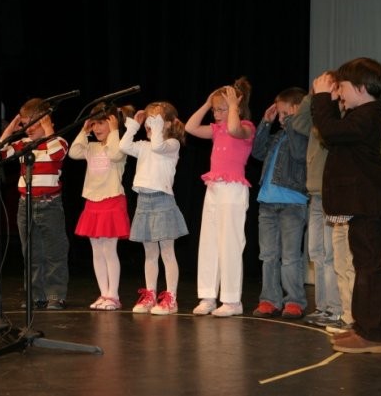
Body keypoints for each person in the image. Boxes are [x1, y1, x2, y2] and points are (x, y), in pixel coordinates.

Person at [311, 57, 381, 354]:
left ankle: (373, 334)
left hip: (369, 203)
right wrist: (331, 103)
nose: (339, 93)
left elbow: (332, 132)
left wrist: (321, 97)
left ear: (360, 88)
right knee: (364, 266)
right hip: (364, 203)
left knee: (370, 268)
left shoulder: (369, 115)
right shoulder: (362, 115)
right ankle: (363, 327)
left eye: (342, 88)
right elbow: (335, 136)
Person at [184, 78, 255, 317]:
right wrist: (206, 104)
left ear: (236, 107)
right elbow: (190, 128)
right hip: (214, 189)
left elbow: (235, 129)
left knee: (230, 244)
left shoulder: (245, 127)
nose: (216, 113)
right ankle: (207, 296)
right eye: (215, 109)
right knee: (209, 242)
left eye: (220, 108)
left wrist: (233, 106)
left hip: (233, 190)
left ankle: (233, 300)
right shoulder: (216, 130)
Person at [0, 98, 69, 310]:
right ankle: (36, 295)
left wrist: (47, 127)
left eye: (32, 124)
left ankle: (55, 295)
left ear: (46, 120)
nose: (27, 129)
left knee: (54, 252)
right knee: (31, 253)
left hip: (50, 205)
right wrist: (13, 125)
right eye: (25, 124)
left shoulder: (58, 142)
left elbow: (57, 154)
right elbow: (0, 151)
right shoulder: (23, 145)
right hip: (25, 205)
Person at [119, 101, 188, 315]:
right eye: (149, 121)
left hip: (163, 201)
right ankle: (150, 294)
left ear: (167, 124)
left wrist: (156, 127)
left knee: (167, 252)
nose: (150, 126)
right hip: (144, 202)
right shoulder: (143, 146)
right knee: (149, 253)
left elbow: (159, 145)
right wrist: (134, 125)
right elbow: (123, 147)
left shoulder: (172, 145)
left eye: (155, 121)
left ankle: (171, 298)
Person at [69, 103, 134, 311]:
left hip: (112, 200)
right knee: (96, 250)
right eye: (94, 124)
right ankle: (103, 293)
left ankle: (113, 295)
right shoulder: (91, 147)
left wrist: (115, 131)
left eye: (101, 123)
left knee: (109, 249)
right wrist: (83, 130)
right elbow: (73, 152)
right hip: (92, 202)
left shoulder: (119, 145)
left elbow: (115, 154)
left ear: (112, 123)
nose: (97, 128)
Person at [251, 87, 309, 319]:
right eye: (281, 114)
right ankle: (269, 299)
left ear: (297, 111)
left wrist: (295, 122)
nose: (282, 118)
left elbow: (298, 155)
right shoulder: (277, 136)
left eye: (286, 113)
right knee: (268, 255)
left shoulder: (303, 136)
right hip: (267, 204)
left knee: (291, 256)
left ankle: (294, 300)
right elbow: (256, 152)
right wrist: (265, 123)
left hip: (292, 205)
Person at [291, 85, 344, 328]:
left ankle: (335, 309)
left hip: (331, 195)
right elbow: (297, 123)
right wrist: (311, 95)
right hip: (315, 196)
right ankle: (323, 307)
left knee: (331, 255)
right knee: (316, 253)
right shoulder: (315, 123)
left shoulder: (335, 123)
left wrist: (327, 100)